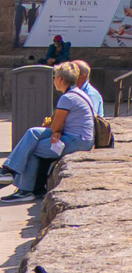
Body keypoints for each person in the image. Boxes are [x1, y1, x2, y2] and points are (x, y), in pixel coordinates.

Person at [0, 62, 94, 203]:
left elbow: (56, 125)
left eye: (54, 77)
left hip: (77, 141)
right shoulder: (78, 93)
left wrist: (56, 131)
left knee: (32, 149)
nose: (54, 80)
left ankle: (26, 189)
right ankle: (9, 171)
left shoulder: (67, 98)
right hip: (76, 137)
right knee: (33, 132)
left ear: (61, 79)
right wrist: (56, 130)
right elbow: (57, 123)